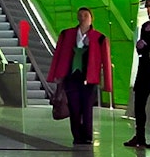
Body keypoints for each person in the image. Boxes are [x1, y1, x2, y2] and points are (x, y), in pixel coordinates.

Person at [48, 7, 112, 145]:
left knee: (87, 107)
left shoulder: (99, 38)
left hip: (89, 78)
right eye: (80, 15)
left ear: (91, 18)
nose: (83, 18)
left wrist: (106, 83)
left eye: (86, 15)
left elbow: (106, 61)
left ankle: (87, 136)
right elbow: (59, 55)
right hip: (71, 77)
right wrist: (57, 75)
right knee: (74, 107)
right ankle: (77, 135)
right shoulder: (67, 34)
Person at [126, 0, 150, 147]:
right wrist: (141, 47)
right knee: (139, 104)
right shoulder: (145, 26)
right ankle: (139, 136)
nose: (149, 9)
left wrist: (147, 46)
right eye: (147, 7)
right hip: (144, 68)